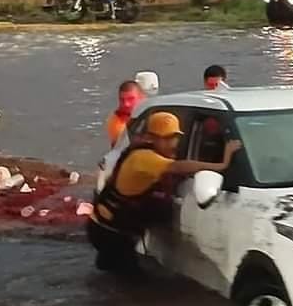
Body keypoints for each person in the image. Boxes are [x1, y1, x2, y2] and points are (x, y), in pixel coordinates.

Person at [88, 112, 242, 273]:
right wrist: (222, 164)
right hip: (109, 232)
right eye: (166, 138)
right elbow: (180, 166)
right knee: (135, 285)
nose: (172, 143)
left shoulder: (149, 153)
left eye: (174, 137)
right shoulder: (144, 158)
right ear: (150, 138)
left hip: (108, 226)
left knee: (112, 273)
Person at [106, 80, 144, 146]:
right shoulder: (116, 122)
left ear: (142, 98)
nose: (126, 104)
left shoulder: (152, 113)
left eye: (131, 99)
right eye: (122, 100)